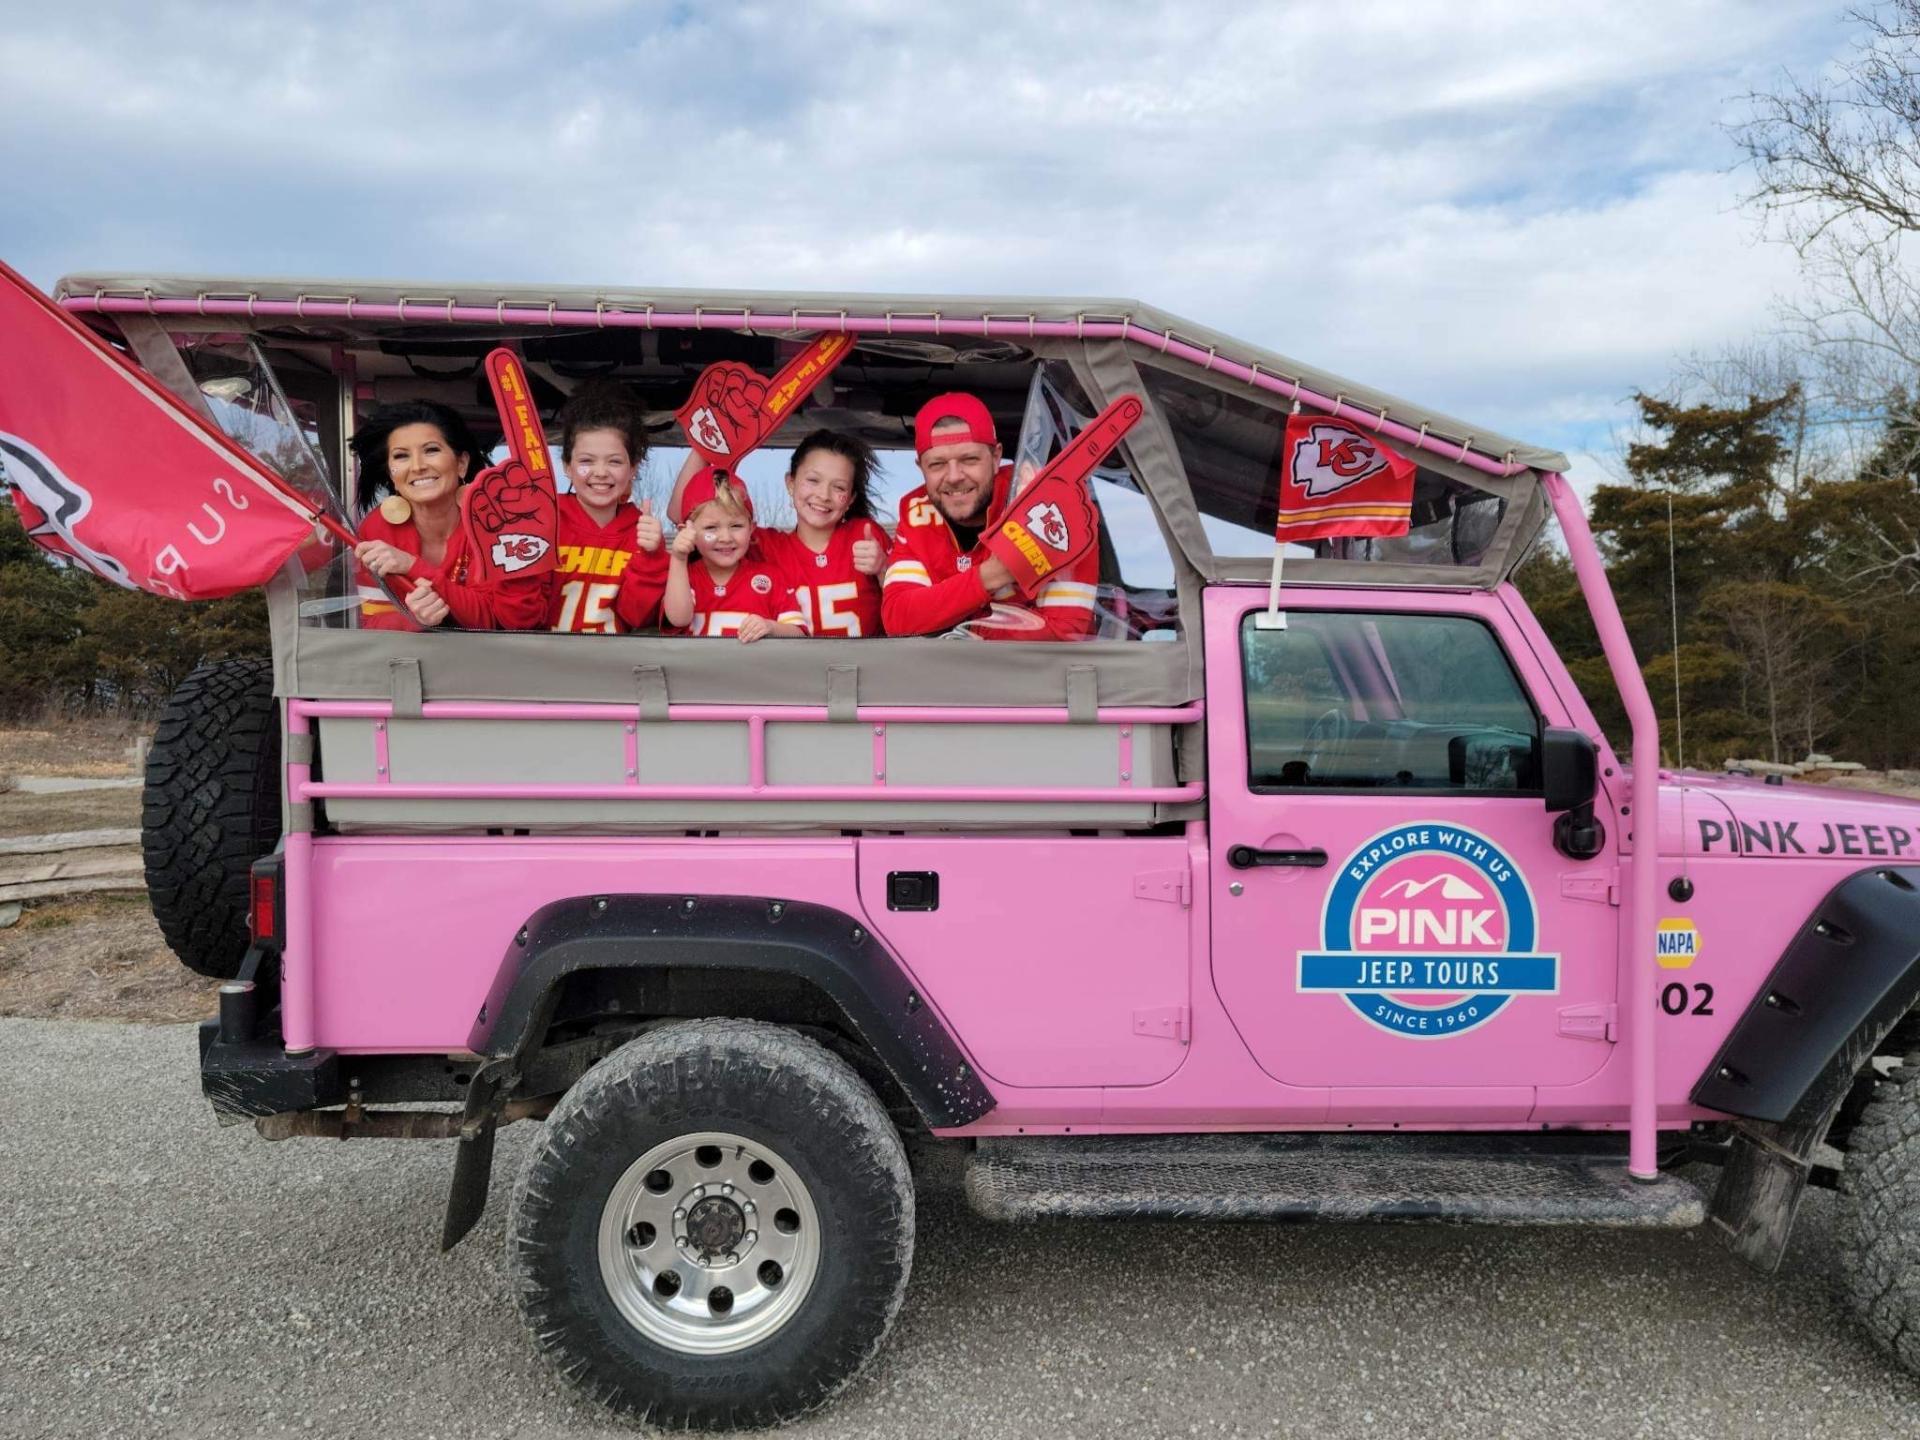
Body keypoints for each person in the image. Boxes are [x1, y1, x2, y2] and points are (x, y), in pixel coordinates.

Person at [880, 393, 1099, 640]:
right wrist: (993, 574)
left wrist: (963, 627)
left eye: (969, 459)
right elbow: (899, 620)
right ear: (921, 468)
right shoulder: (914, 511)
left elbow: (1064, 634)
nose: (953, 476)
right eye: (937, 464)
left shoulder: (1048, 507)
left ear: (996, 458)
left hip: (1035, 678)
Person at [350, 401, 548, 631]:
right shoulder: (377, 529)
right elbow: (371, 622)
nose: (417, 466)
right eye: (401, 456)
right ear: (391, 473)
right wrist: (415, 620)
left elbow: (503, 622)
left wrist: (413, 567)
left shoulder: (498, 521)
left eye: (431, 450)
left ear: (461, 464)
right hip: (413, 660)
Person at [547, 381, 668, 633]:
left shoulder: (643, 534)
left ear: (633, 468)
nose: (600, 473)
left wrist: (651, 557)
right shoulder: (544, 520)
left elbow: (635, 616)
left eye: (614, 461)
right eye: (586, 461)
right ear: (567, 466)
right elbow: (519, 617)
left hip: (613, 668)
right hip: (542, 665)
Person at [752, 429, 887, 637]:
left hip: (865, 668)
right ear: (790, 483)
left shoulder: (865, 536)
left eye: (839, 487)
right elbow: (694, 515)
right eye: (813, 481)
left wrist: (883, 569)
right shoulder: (767, 546)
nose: (823, 495)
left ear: (851, 499)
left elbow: (909, 609)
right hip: (794, 669)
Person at [657, 468, 808, 641]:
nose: (726, 538)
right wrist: (678, 558)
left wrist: (770, 627)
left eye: (736, 526)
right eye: (711, 528)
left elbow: (799, 634)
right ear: (688, 531)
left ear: (751, 528)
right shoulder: (685, 576)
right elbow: (678, 619)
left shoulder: (770, 577)